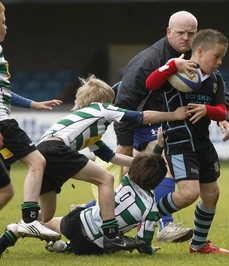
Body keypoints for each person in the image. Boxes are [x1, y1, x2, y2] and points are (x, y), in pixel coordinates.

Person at [0, 74, 190, 257]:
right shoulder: (101, 108)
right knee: (105, 179)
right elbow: (142, 117)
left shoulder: (85, 125)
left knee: (46, 216)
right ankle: (112, 234)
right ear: (105, 101)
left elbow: (112, 157)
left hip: (46, 152)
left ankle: (11, 233)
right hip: (56, 149)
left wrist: (141, 164)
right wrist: (173, 115)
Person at [113, 10, 229, 243]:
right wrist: (124, 143)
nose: (186, 38)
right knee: (148, 170)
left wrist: (223, 116)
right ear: (169, 32)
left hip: (175, 122)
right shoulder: (151, 59)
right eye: (181, 33)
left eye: (191, 33)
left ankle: (162, 225)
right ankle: (150, 222)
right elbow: (124, 102)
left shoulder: (202, 55)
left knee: (158, 171)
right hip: (140, 119)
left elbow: (218, 93)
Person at [3, 136, 168, 256]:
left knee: (48, 222)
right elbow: (143, 242)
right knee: (111, 245)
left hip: (76, 222)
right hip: (91, 245)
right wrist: (148, 250)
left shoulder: (127, 181)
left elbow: (147, 165)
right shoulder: (151, 209)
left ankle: (16, 230)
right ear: (158, 180)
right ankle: (65, 247)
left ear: (135, 170)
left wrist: (159, 145)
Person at [146, 28, 229, 254]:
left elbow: (222, 110)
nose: (220, 61)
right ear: (200, 51)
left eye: (222, 57)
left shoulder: (215, 79)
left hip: (203, 144)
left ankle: (199, 245)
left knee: (212, 194)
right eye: (217, 56)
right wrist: (172, 65)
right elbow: (150, 83)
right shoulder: (176, 72)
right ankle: (147, 215)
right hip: (179, 143)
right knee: (187, 194)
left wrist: (207, 110)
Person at [0, 1, 63, 243]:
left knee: (5, 181)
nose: (6, 27)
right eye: (3, 22)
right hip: (3, 123)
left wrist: (33, 104)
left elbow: (4, 92)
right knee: (37, 161)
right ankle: (29, 221)